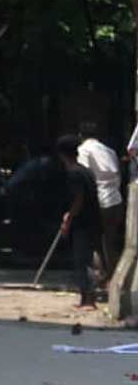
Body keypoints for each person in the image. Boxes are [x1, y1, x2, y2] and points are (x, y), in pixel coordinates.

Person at [57, 134, 103, 310]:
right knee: (85, 260)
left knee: (83, 261)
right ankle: (86, 298)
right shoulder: (85, 170)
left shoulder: (74, 173)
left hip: (83, 222)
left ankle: (89, 300)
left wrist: (69, 217)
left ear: (62, 154)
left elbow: (78, 199)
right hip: (92, 220)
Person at [76, 121, 122, 280]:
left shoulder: (83, 150)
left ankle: (98, 275)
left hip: (97, 200)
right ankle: (113, 277)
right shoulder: (109, 151)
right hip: (115, 199)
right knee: (110, 240)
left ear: (80, 136)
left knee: (92, 240)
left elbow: (83, 176)